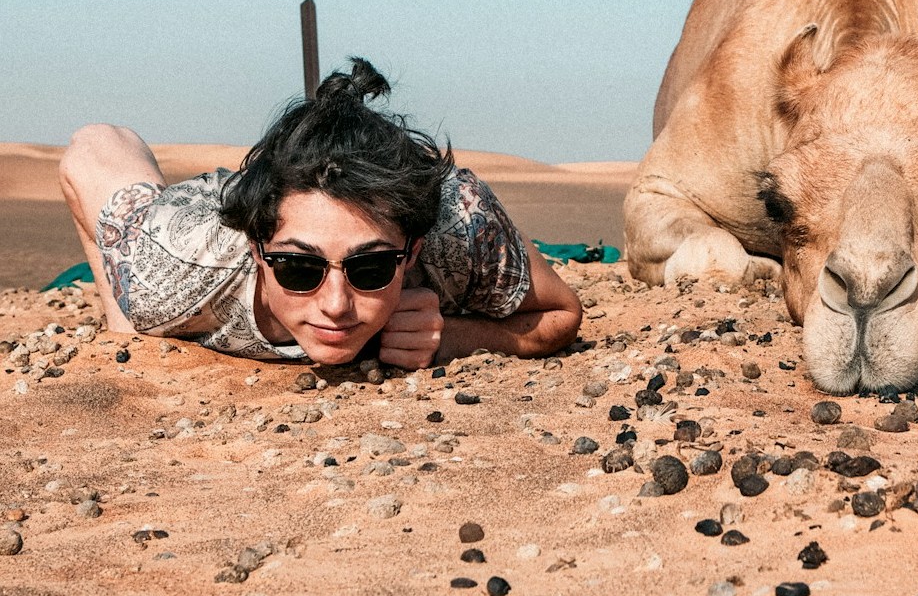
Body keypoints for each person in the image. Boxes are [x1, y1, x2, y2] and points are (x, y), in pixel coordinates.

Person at [58, 58, 583, 368]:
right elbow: (93, 148)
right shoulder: (172, 265)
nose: (336, 306)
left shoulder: (461, 226)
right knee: (137, 326)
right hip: (200, 225)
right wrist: (124, 317)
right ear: (258, 251)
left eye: (371, 269)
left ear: (413, 251)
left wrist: (453, 335)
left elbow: (563, 314)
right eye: (299, 269)